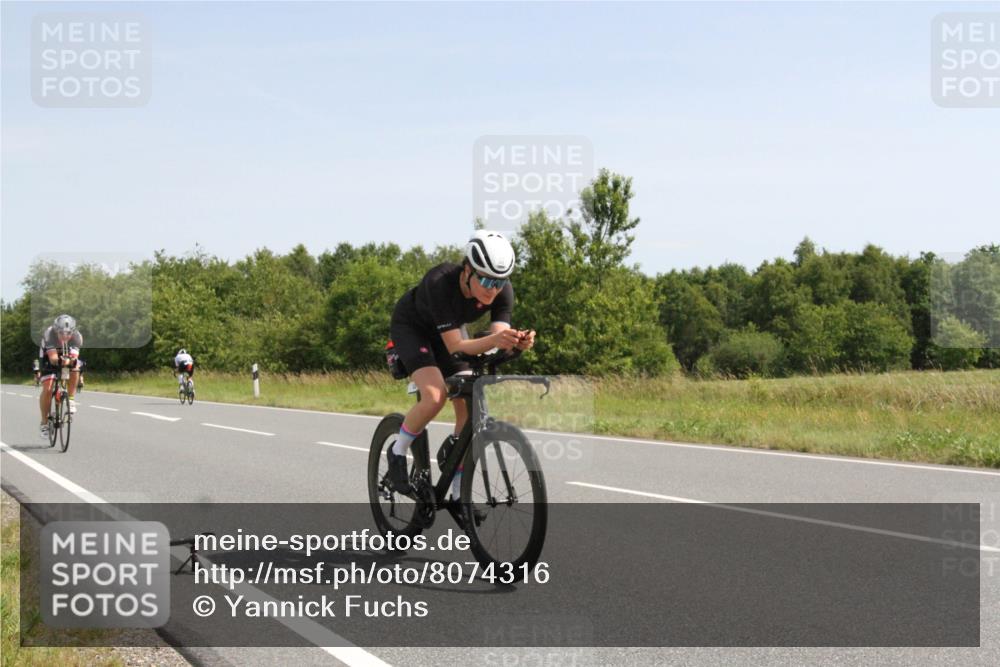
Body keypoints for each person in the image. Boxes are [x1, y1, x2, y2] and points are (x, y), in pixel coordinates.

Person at [385, 230, 535, 496]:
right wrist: (496, 340)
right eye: (486, 280)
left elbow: (495, 339)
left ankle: (458, 493)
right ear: (467, 270)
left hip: (451, 331)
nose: (493, 289)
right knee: (435, 396)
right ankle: (397, 452)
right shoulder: (440, 282)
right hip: (413, 328)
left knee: (468, 404)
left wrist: (515, 342)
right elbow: (456, 346)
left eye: (499, 282)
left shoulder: (502, 291)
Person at [38, 314, 83, 438]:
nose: (65, 336)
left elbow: (73, 358)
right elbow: (53, 358)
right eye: (61, 333)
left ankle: (71, 399)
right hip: (48, 357)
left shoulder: (77, 337)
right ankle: (44, 423)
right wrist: (62, 361)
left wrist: (70, 362)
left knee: (75, 367)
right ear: (56, 330)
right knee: (48, 388)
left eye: (68, 333)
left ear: (73, 332)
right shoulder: (49, 334)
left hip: (66, 355)